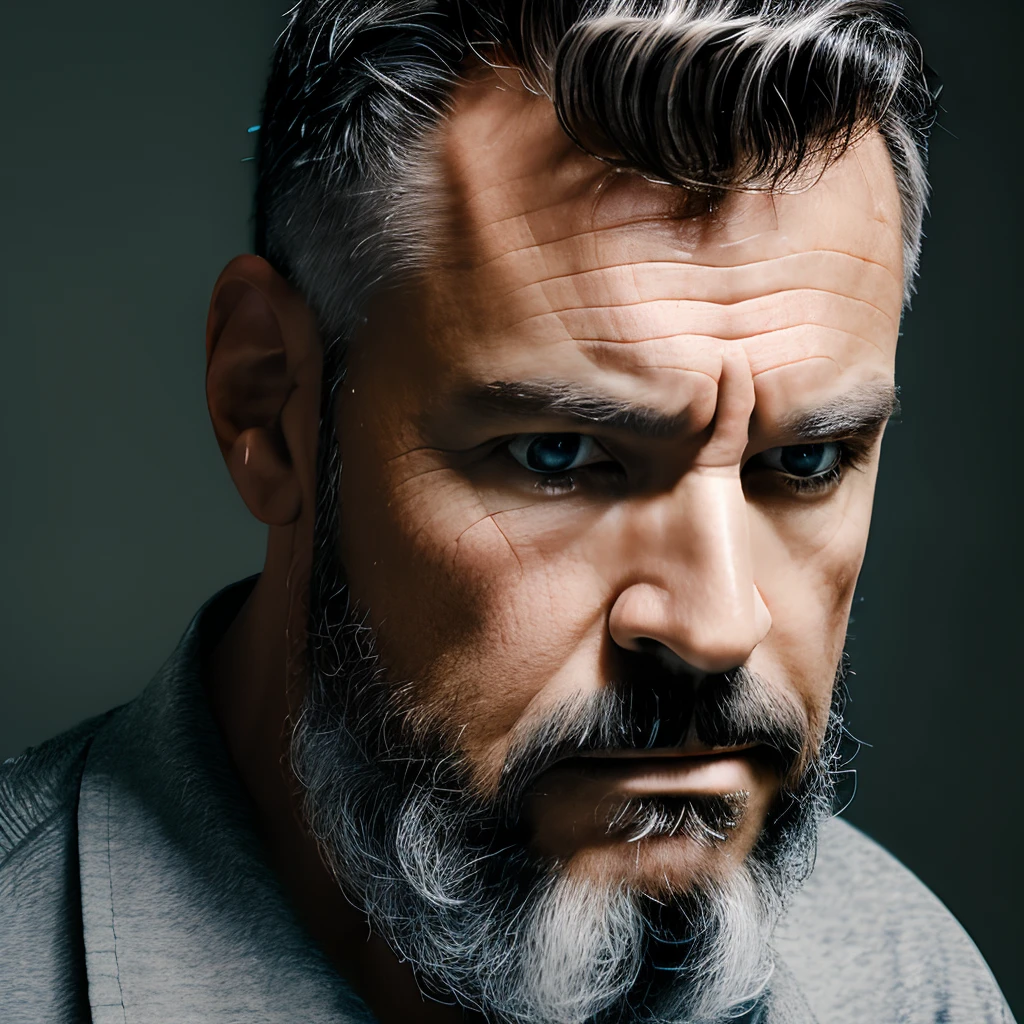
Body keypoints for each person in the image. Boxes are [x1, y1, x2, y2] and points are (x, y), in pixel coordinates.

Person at [1, 1, 1015, 1022]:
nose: (714, 627)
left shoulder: (907, 986)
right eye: (560, 455)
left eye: (803, 460)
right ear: (266, 401)